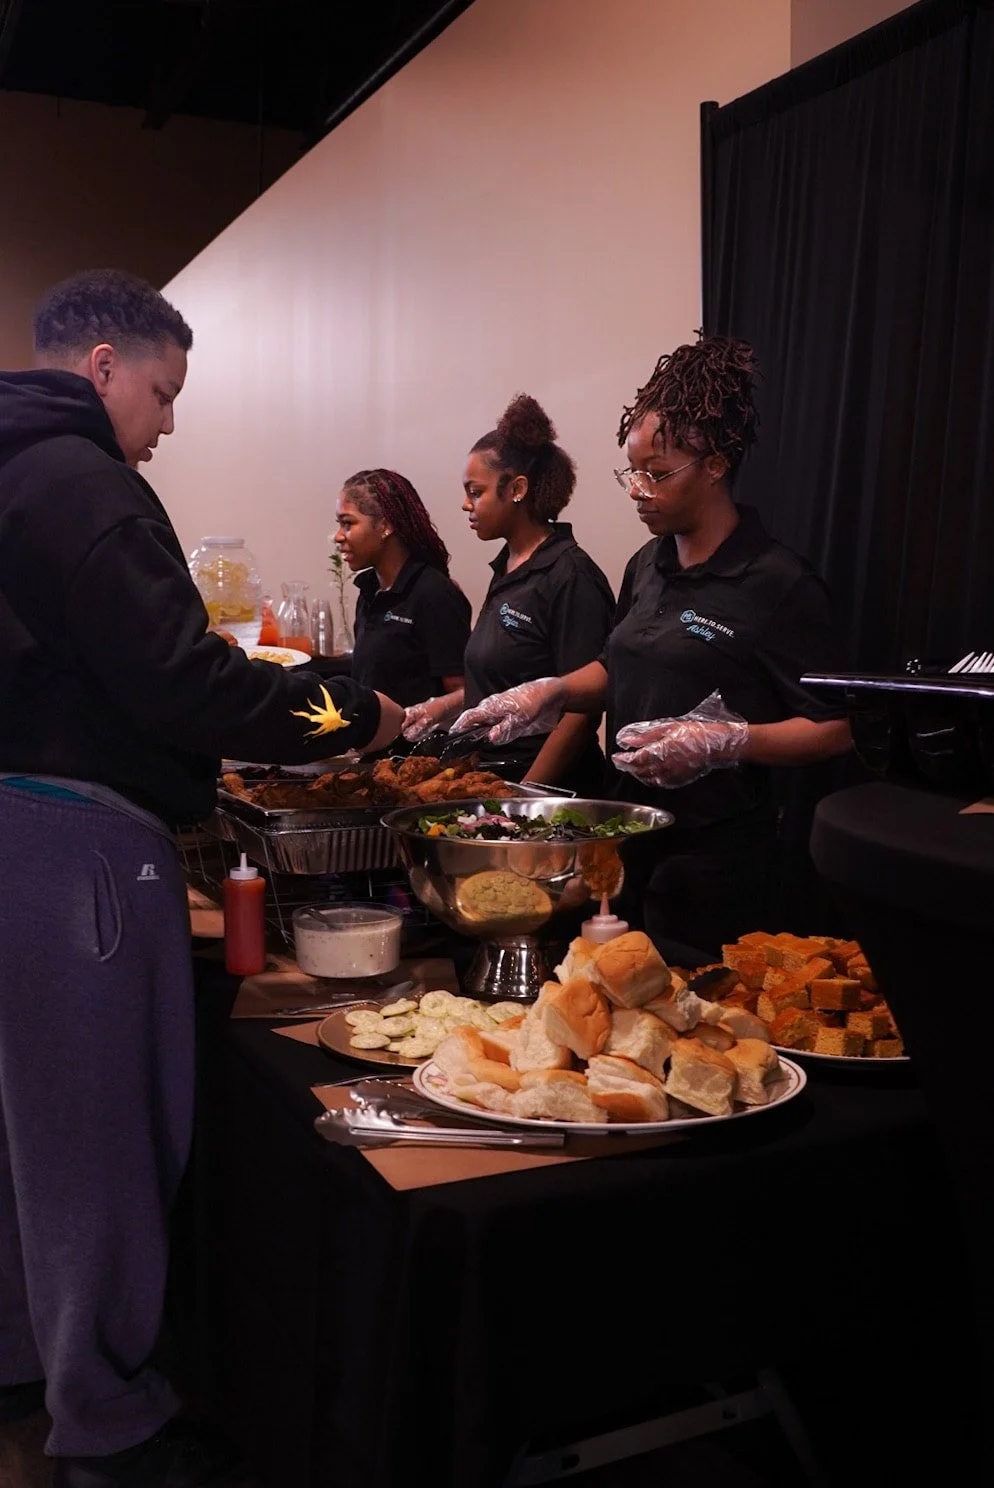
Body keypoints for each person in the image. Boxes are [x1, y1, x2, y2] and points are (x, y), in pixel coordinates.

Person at [0, 270, 403, 1488]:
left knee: (33, 1138)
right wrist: (354, 714)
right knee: (105, 1146)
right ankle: (110, 1426)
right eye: (165, 395)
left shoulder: (16, 467)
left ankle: (36, 1363)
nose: (167, 425)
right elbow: (190, 684)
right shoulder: (88, 489)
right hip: (76, 842)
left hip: (19, 826)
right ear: (104, 365)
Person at [450, 336, 851, 955]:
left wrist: (733, 740)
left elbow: (836, 728)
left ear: (715, 465)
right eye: (631, 472)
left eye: (657, 475)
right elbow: (617, 665)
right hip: (631, 834)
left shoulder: (778, 583)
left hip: (717, 858)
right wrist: (549, 692)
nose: (637, 490)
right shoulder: (648, 563)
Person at [404, 394, 614, 792]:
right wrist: (442, 708)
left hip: (547, 792)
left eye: (475, 492)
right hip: (491, 778)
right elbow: (503, 685)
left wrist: (523, 798)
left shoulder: (571, 576)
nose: (465, 504)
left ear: (517, 488)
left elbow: (581, 714)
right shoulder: (508, 566)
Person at [333, 468, 471, 714]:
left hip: (417, 749)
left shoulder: (434, 594)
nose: (338, 536)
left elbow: (464, 695)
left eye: (348, 524)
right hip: (373, 746)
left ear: (385, 526)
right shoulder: (369, 589)